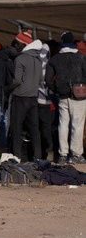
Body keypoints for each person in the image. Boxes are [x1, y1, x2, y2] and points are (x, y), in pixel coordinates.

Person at [46, 32, 86, 163]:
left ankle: (63, 154)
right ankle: (76, 155)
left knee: (63, 125)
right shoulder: (81, 57)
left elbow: (48, 80)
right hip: (80, 96)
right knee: (77, 125)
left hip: (62, 96)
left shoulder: (55, 59)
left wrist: (56, 90)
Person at [9, 32, 44, 161]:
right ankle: (38, 157)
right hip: (33, 98)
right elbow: (40, 80)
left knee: (17, 128)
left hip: (20, 97)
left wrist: (7, 89)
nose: (15, 46)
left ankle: (17, 157)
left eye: (17, 43)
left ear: (23, 44)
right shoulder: (38, 60)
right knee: (35, 129)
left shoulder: (20, 59)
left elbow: (17, 80)